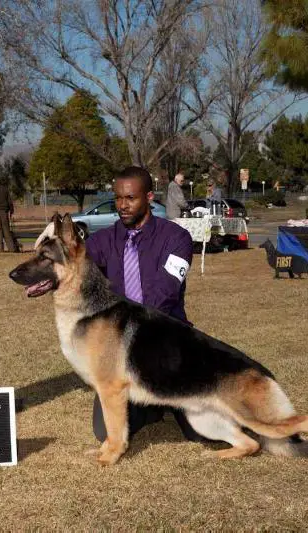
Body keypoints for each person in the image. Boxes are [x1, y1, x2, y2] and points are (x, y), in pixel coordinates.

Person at [84, 166, 207, 443]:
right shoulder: (102, 241)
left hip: (167, 340)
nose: (122, 206)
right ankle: (150, 407)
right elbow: (75, 268)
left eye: (130, 198)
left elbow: (164, 293)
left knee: (203, 434)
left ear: (149, 197)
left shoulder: (176, 238)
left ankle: (167, 398)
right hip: (123, 352)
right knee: (104, 431)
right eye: (118, 198)